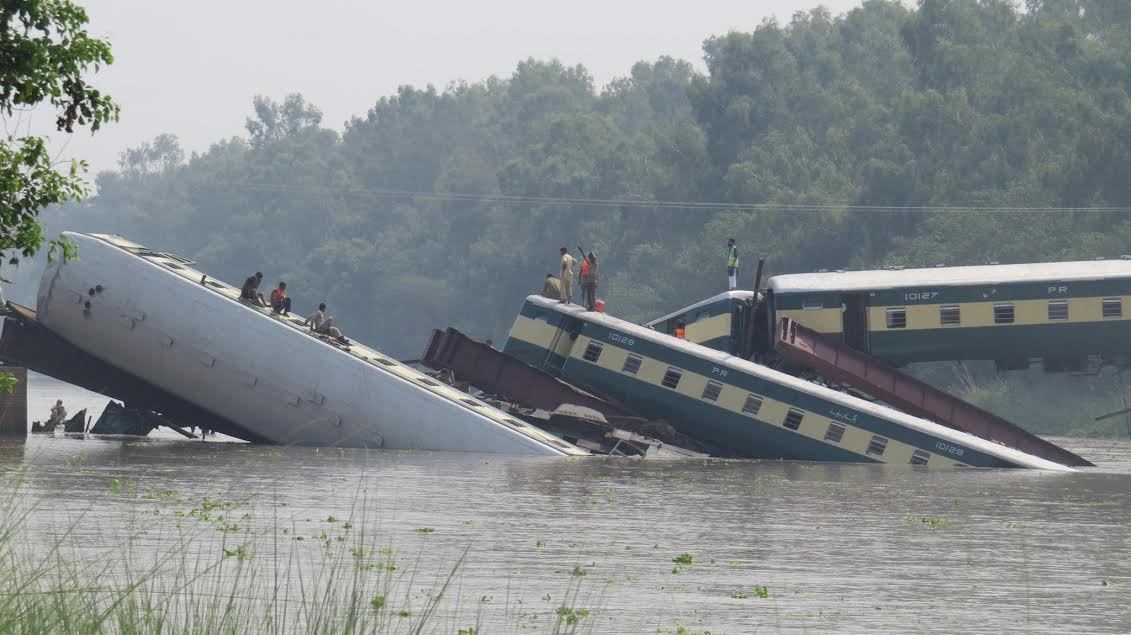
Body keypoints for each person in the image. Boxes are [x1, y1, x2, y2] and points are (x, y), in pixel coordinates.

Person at [577, 246, 598, 311]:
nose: (589, 259)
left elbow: (585, 258)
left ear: (592, 258)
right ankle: (592, 307)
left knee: (590, 295)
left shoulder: (593, 264)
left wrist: (581, 251)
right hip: (593, 281)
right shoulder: (595, 264)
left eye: (590, 258)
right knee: (592, 295)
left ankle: (592, 307)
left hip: (591, 281)